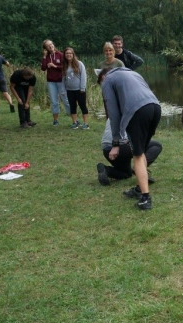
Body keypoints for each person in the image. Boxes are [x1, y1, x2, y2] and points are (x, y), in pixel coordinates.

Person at [98, 67, 161, 210]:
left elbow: (113, 114)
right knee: (142, 151)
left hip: (138, 112)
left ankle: (145, 199)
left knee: (137, 155)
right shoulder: (133, 73)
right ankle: (140, 188)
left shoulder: (108, 81)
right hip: (156, 107)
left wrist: (116, 143)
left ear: (103, 76)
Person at [97, 119, 162, 185]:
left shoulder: (113, 113)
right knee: (156, 145)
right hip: (120, 147)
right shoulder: (132, 114)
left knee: (127, 174)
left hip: (106, 150)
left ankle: (106, 169)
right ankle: (140, 167)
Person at [41, 39, 70, 126]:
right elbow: (43, 68)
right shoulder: (47, 56)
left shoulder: (60, 54)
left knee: (65, 99)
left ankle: (73, 117)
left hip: (60, 80)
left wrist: (54, 66)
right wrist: (44, 57)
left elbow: (65, 67)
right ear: (45, 48)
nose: (50, 46)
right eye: (48, 45)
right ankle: (56, 120)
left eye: (51, 44)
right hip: (51, 82)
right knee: (54, 101)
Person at [62, 47, 89, 130]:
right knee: (72, 106)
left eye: (70, 53)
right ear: (65, 55)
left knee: (82, 105)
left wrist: (82, 88)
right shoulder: (64, 65)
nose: (68, 55)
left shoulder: (79, 63)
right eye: (67, 53)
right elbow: (63, 78)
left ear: (73, 54)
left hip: (79, 89)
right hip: (69, 90)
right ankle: (74, 122)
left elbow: (83, 76)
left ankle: (85, 123)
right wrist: (63, 89)